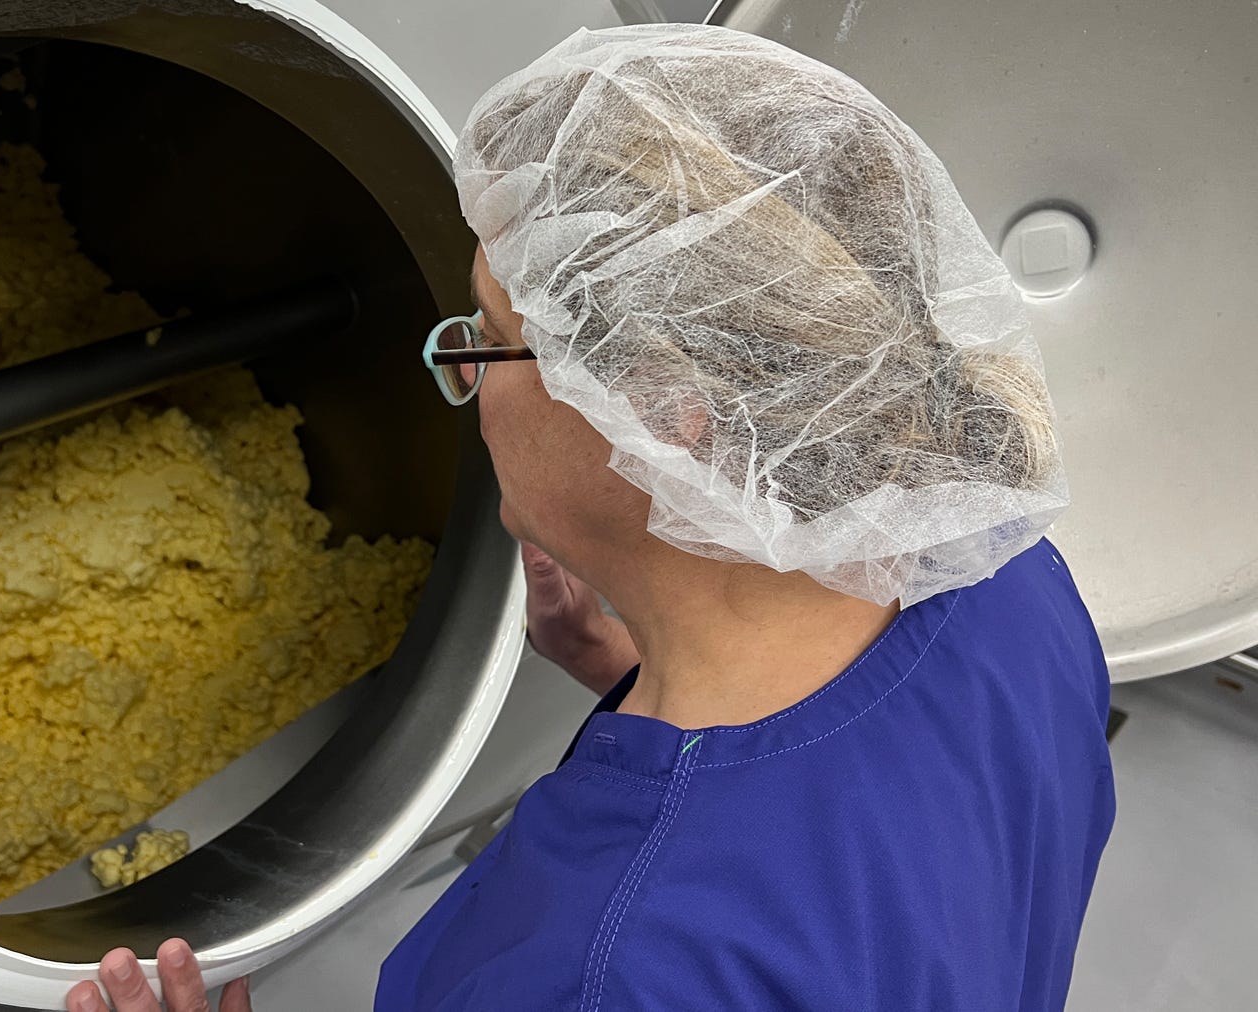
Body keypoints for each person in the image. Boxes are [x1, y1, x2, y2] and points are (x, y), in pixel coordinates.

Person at [64, 23, 1114, 1012]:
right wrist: (629, 666)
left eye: (492, 333)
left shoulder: (607, 967)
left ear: (662, 411)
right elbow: (875, 841)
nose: (464, 368)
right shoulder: (1004, 575)